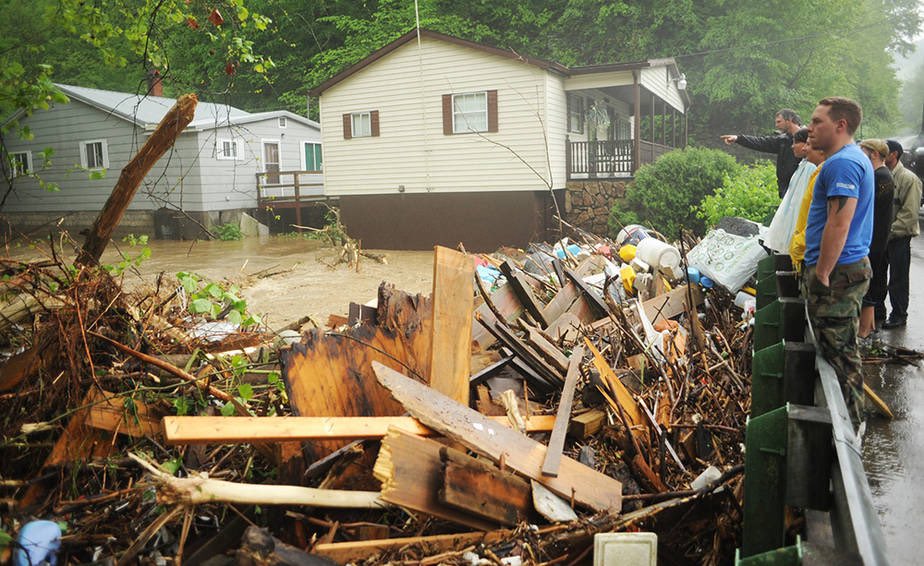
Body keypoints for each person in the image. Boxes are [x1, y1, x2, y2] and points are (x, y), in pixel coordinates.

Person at [803, 97, 873, 398]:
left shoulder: (843, 163)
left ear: (841, 125)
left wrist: (821, 274)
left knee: (840, 359)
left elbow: (839, 223)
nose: (810, 127)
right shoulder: (849, 159)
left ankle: (849, 434)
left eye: (818, 121)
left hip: (838, 274)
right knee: (837, 352)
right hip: (843, 269)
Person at [881, 139, 923, 328]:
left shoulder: (908, 179)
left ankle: (899, 314)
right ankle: (877, 310)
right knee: (878, 275)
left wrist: (888, 232)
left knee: (898, 278)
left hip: (899, 237)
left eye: (885, 151)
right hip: (882, 237)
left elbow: (909, 214)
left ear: (894, 154)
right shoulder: (881, 175)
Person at [856, 139, 894, 338]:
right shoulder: (879, 175)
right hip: (876, 236)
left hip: (876, 238)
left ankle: (867, 328)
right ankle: (869, 325)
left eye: (863, 151)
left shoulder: (881, 176)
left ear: (873, 153)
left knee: (870, 282)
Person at [721, 109, 803, 197]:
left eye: (779, 122)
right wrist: (738, 139)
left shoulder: (808, 138)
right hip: (787, 188)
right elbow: (761, 143)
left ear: (789, 120)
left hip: (801, 186)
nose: (776, 125)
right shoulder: (783, 140)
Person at [764, 127, 816, 253]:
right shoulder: (803, 165)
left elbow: (798, 204)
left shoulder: (810, 167)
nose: (793, 146)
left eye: (796, 142)